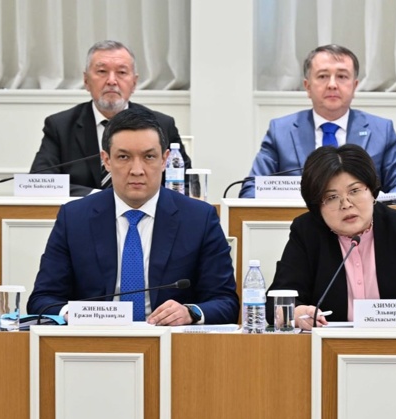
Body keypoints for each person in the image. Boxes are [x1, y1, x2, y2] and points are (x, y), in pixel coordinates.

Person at [28, 108, 239, 325]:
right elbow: (42, 300)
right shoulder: (74, 218)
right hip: (95, 337)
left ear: (165, 160)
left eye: (149, 157)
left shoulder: (199, 218)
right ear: (106, 161)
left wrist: (190, 312)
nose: (137, 170)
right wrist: (70, 313)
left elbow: (226, 302)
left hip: (169, 338)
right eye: (124, 157)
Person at [267, 144, 396, 330]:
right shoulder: (307, 232)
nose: (346, 204)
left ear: (372, 191)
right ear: (316, 206)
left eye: (355, 191)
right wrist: (298, 314)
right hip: (330, 348)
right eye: (332, 197)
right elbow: (275, 304)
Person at [30, 40, 191, 196]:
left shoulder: (161, 124)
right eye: (102, 71)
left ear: (134, 83)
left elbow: (185, 183)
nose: (112, 81)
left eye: (121, 72)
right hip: (84, 212)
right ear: (86, 80)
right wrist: (98, 198)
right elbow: (40, 182)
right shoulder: (60, 126)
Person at [239, 45, 396, 198]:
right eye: (323, 76)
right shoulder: (281, 131)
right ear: (307, 86)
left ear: (354, 86)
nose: (332, 85)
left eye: (342, 76)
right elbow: (251, 190)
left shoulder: (381, 131)